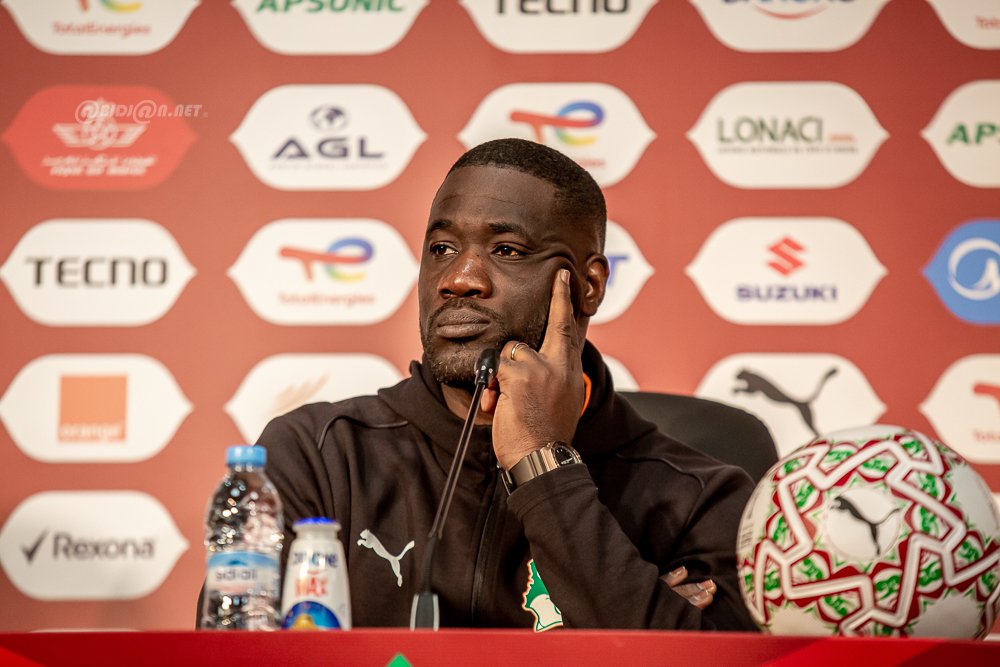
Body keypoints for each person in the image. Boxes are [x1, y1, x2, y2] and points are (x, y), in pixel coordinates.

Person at [256, 138, 759, 631]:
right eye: (441, 248)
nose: (459, 278)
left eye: (507, 250)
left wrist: (541, 463)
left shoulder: (697, 500)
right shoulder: (319, 457)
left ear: (588, 285)